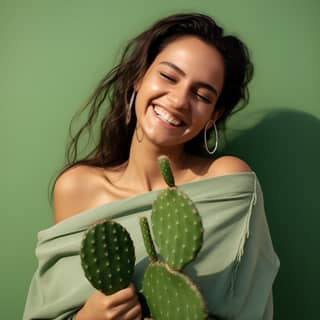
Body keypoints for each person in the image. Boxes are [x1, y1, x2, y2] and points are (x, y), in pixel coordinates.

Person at [23, 13, 280, 320]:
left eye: (201, 95)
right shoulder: (76, 187)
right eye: (169, 77)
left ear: (214, 115)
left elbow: (245, 308)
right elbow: (53, 305)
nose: (179, 100)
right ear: (138, 78)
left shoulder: (227, 182)